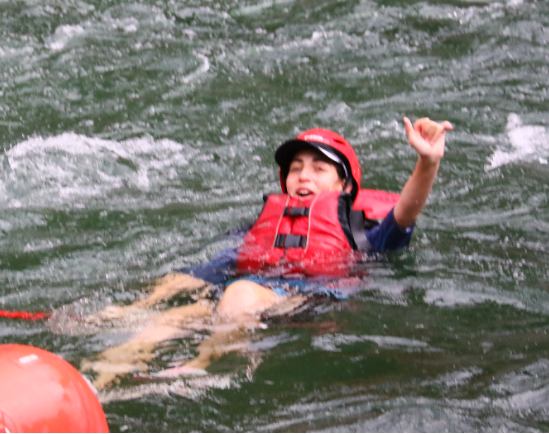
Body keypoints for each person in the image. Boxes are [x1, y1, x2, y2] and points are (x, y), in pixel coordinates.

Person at [82, 117, 452, 388]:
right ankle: (98, 378)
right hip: (250, 299)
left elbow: (407, 211)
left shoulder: (368, 233)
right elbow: (204, 272)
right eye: (295, 169)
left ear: (344, 184)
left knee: (239, 294)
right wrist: (137, 305)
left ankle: (200, 367)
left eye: (319, 169)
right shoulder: (265, 228)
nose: (304, 176)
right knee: (171, 318)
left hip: (312, 305)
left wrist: (428, 162)